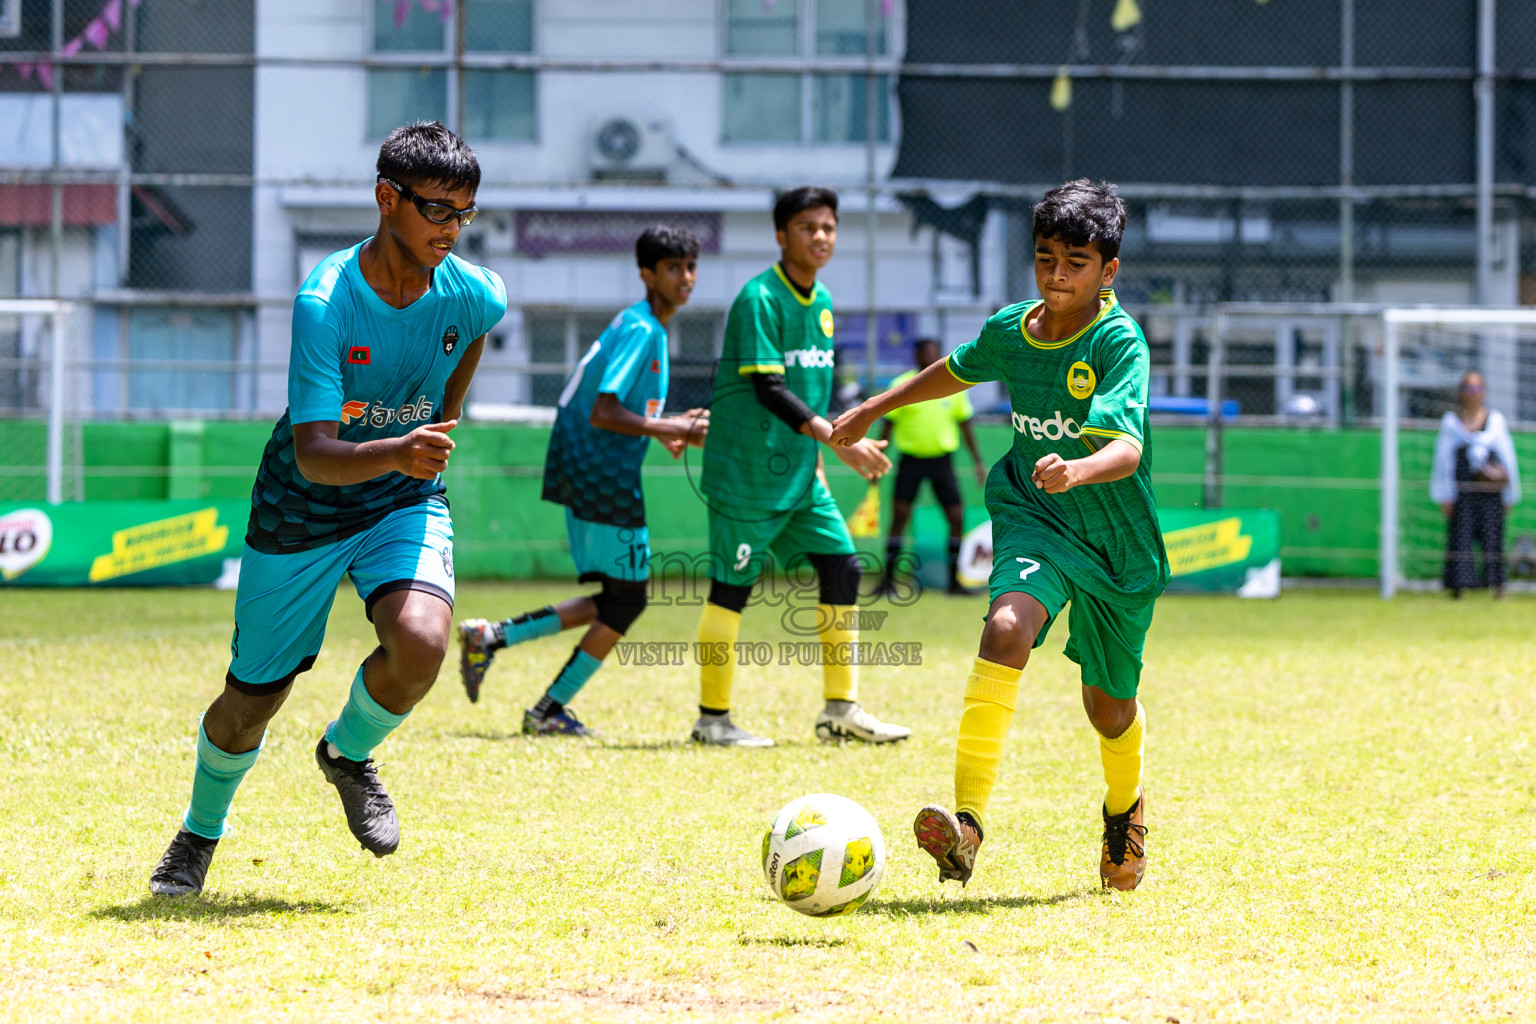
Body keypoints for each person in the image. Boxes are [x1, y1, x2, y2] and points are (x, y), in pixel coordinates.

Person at [148, 122, 506, 896]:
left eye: (464, 215)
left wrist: (442, 422)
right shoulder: (325, 301)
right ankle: (197, 834)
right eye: (438, 210)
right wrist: (402, 447)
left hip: (402, 498)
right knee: (250, 701)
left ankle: (347, 754)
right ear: (387, 198)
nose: (452, 229)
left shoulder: (473, 293)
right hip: (302, 506)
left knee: (420, 645)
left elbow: (475, 329)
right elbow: (314, 451)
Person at [831, 179, 1169, 891]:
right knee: (1005, 629)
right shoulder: (1013, 330)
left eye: (1076, 263)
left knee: (1108, 709)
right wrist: (874, 404)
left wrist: (1078, 469)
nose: (1057, 275)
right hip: (1034, 514)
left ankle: (1123, 810)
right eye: (1046, 258)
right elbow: (953, 372)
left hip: (1115, 536)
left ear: (1108, 272)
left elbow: (1128, 451)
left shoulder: (1117, 340)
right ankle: (968, 828)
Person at [456, 226, 709, 734]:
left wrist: (662, 428)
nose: (684, 278)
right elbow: (604, 410)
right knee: (629, 599)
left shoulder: (637, 324)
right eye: (672, 268)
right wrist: (671, 426)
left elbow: (617, 408)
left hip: (592, 467)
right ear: (646, 273)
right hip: (601, 473)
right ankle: (545, 709)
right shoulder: (643, 329)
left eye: (690, 267)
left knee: (619, 596)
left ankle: (492, 637)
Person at [690, 186, 910, 748]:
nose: (820, 237)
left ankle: (841, 709)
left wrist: (819, 454)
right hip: (746, 474)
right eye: (808, 226)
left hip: (798, 474)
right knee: (730, 591)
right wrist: (839, 440)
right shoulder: (759, 298)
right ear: (781, 235)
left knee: (842, 568)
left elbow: (814, 390)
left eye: (829, 227)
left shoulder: (825, 304)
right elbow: (769, 388)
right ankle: (712, 721)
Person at [876, 337, 988, 597]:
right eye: (926, 352)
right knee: (899, 518)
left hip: (942, 462)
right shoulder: (900, 385)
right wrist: (877, 459)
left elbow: (965, 425)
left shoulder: (954, 386)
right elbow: (887, 426)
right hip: (910, 461)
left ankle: (954, 583)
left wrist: (978, 461)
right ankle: (887, 582)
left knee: (956, 518)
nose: (930, 356)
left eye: (935, 352)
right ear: (916, 355)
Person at [1431, 370, 1521, 599]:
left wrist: (1510, 494)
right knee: (1460, 537)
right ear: (1462, 392)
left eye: (1477, 388)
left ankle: (1498, 586)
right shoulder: (1451, 423)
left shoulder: (1495, 422)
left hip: (1489, 492)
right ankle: (1457, 586)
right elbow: (1443, 462)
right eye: (1468, 389)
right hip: (1462, 491)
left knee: (1493, 538)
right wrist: (1443, 494)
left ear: (1484, 392)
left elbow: (1508, 459)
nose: (1473, 394)